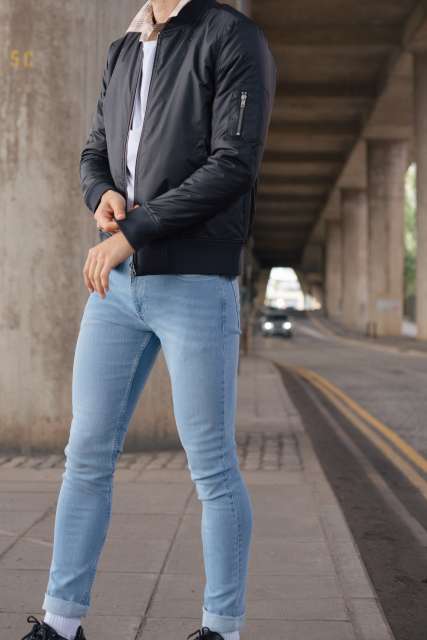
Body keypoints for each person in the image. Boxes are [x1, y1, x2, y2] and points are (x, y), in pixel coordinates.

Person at [21, 1, 276, 639]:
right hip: (117, 286)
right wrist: (101, 193)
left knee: (211, 466)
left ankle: (221, 629)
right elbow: (95, 150)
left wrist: (134, 232)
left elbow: (233, 165)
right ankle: (61, 624)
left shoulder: (233, 37)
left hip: (195, 282)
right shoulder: (124, 49)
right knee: (85, 455)